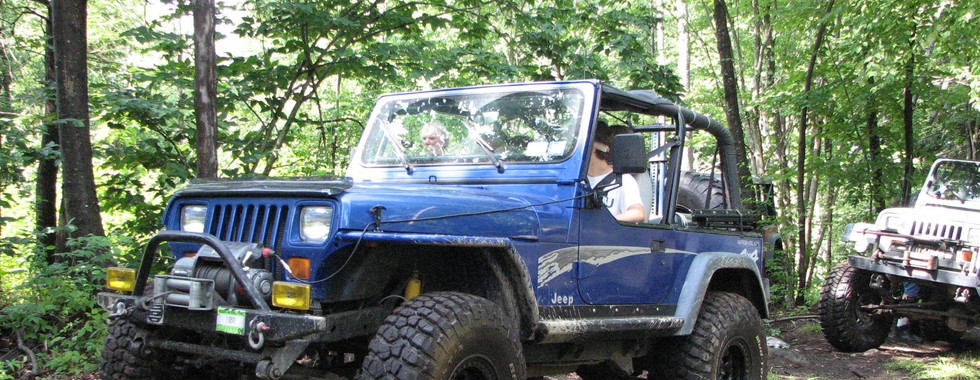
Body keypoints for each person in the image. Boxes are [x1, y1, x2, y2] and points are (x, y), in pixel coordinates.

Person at [587, 122, 645, 222]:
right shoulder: (576, 180)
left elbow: (638, 213)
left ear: (592, 148)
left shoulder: (623, 180)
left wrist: (601, 222)